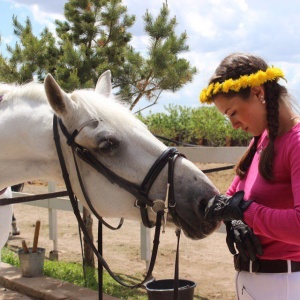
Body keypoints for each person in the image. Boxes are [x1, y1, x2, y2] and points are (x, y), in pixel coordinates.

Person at [200, 53, 300, 299]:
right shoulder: (261, 141)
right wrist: (234, 220)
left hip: (284, 283)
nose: (233, 124)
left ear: (258, 93)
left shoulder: (296, 143)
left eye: (233, 112)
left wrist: (247, 213)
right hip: (256, 283)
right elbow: (230, 200)